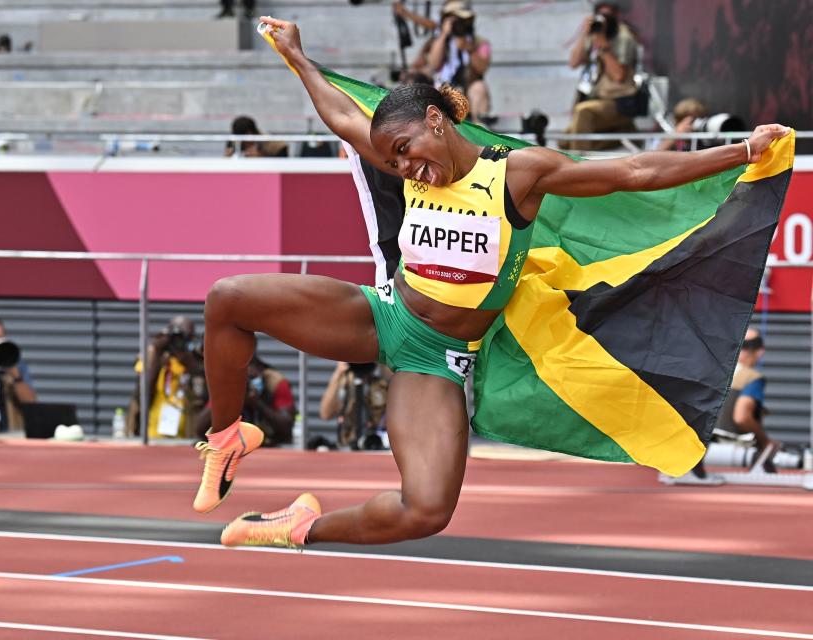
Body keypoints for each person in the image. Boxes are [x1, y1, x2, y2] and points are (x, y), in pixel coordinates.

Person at [191, 15, 790, 550]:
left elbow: (632, 171)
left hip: (437, 359)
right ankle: (228, 438)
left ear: (435, 119)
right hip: (383, 316)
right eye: (393, 162)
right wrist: (297, 57)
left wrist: (739, 150)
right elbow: (344, 116)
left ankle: (296, 527)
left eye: (406, 151)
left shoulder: (516, 176)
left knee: (424, 510)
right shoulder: (409, 164)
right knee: (229, 300)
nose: (405, 169)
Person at [563, 2, 639, 151]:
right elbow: (574, 63)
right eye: (600, 15)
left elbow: (618, 76)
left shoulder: (624, 37)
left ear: (616, 15)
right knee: (564, 141)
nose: (603, 20)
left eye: (607, 15)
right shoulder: (594, 34)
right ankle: (622, 133)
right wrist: (585, 34)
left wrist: (603, 46)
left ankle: (579, 165)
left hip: (619, 102)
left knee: (583, 111)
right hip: (597, 100)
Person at [404, 1, 493, 124]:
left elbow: (482, 68)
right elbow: (433, 64)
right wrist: (444, 35)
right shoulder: (436, 41)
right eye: (454, 20)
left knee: (479, 88)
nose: (458, 24)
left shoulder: (479, 43)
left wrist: (469, 48)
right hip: (442, 87)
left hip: (467, 90)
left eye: (461, 20)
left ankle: (479, 129)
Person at [128, 316, 207, 440]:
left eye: (186, 337)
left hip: (187, 437)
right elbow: (141, 397)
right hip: (153, 436)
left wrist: (190, 365)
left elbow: (203, 397)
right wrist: (157, 353)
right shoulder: (152, 356)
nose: (179, 342)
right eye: (176, 336)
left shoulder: (195, 361)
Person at [719, 329, 779, 472]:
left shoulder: (716, 373)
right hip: (734, 451)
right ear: (760, 352)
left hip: (698, 451)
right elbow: (742, 417)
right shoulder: (752, 378)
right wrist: (765, 442)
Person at [319, 361, 391, 450]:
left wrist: (382, 362)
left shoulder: (381, 384)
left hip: (376, 445)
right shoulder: (344, 383)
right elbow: (325, 414)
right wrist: (338, 373)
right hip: (347, 446)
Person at [224, 115, 289, 158]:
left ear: (253, 132)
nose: (245, 142)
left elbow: (284, 163)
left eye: (246, 138)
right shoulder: (233, 141)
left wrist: (262, 156)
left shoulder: (275, 144)